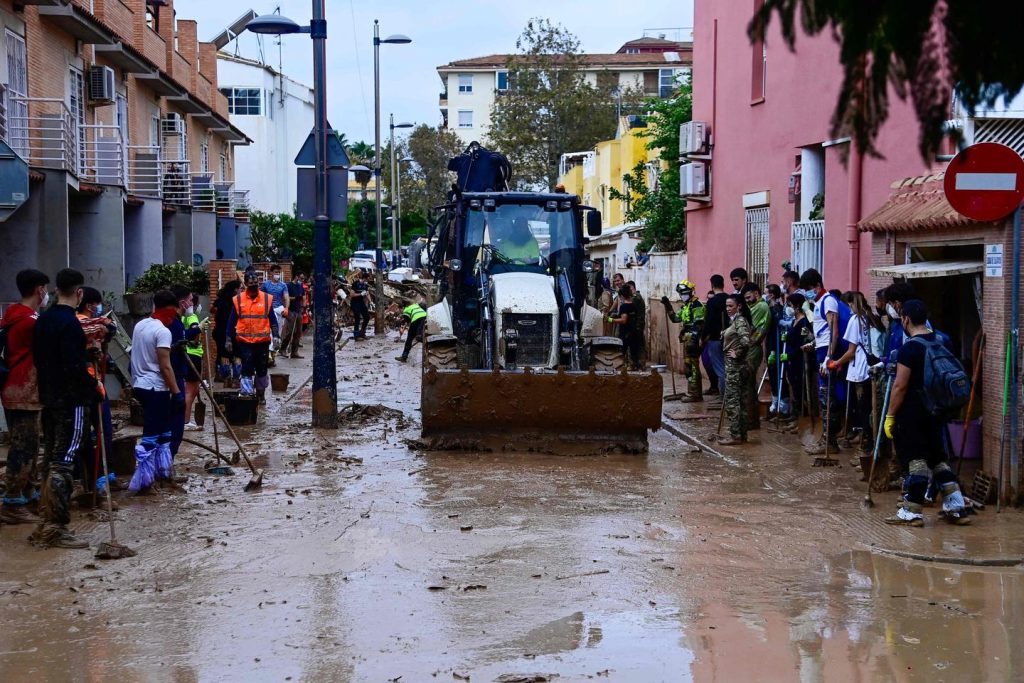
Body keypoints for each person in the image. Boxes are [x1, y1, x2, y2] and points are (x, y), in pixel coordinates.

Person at [883, 300, 971, 526]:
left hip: (913, 412)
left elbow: (900, 386)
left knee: (916, 462)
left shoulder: (910, 348)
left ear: (906, 320)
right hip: (938, 410)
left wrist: (890, 416)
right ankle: (956, 507)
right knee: (939, 459)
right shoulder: (942, 340)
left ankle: (912, 511)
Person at [29, 269, 98, 548]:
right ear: (79, 293)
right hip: (72, 399)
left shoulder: (43, 320)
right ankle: (54, 528)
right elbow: (72, 365)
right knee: (65, 459)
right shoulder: (70, 324)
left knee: (51, 458)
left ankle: (45, 521)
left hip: (49, 396)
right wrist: (92, 388)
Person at [0, 269, 49, 525]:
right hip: (24, 388)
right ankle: (12, 502)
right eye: (45, 289)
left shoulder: (12, 315)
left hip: (16, 387)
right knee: (24, 447)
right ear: (40, 289)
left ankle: (29, 495)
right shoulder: (29, 320)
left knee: (28, 445)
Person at [129, 289, 183, 494]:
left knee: (164, 434)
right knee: (151, 437)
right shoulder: (163, 331)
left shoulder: (140, 325)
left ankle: (163, 474)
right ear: (170, 310)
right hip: (155, 388)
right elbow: (165, 366)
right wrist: (177, 392)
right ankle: (144, 482)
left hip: (140, 385)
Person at [800, 268, 849, 455]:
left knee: (828, 397)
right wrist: (813, 344)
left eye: (808, 288)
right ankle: (827, 438)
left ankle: (830, 441)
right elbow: (823, 332)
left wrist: (829, 356)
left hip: (828, 355)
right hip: (821, 351)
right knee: (824, 397)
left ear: (818, 285)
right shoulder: (819, 302)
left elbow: (833, 331)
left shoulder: (828, 301)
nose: (807, 292)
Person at [832, 291, 885, 461]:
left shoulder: (856, 320)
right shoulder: (872, 317)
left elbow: (851, 351)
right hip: (873, 367)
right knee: (871, 408)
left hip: (861, 370)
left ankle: (866, 447)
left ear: (852, 304)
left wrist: (836, 362)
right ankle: (869, 445)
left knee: (863, 409)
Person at [75, 287, 116, 501]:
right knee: (101, 431)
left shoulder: (83, 322)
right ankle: (98, 480)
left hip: (91, 381)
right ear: (90, 304)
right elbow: (103, 331)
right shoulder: (84, 323)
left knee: (90, 434)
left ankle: (95, 479)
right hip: (92, 384)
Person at [227, 270, 279, 402]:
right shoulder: (238, 300)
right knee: (247, 367)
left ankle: (260, 393)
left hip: (262, 342)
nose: (254, 285)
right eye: (251, 283)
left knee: (262, 368)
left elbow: (272, 319)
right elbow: (231, 321)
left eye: (256, 282)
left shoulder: (266, 299)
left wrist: (276, 335)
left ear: (259, 283)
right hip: (245, 342)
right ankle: (247, 395)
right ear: (245, 283)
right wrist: (228, 338)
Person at [661, 279, 705, 402]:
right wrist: (667, 305)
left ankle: (695, 393)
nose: (683, 295)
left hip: (693, 340)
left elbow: (699, 324)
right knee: (688, 367)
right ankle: (691, 391)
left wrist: (694, 341)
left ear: (691, 292)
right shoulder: (686, 306)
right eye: (681, 293)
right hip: (686, 338)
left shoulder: (697, 305)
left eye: (685, 293)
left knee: (693, 366)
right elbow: (675, 318)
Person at [719, 294, 753, 446]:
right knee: (741, 401)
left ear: (739, 306)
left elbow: (746, 341)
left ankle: (735, 435)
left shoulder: (739, 321)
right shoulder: (736, 321)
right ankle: (742, 434)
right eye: (726, 306)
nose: (728, 309)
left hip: (735, 367)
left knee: (733, 402)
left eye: (731, 306)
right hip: (737, 366)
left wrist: (737, 353)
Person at [782, 292, 813, 425]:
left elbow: (803, 342)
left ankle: (802, 419)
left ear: (797, 306)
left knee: (801, 390)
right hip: (791, 361)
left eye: (790, 305)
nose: (788, 308)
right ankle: (795, 415)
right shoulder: (794, 321)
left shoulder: (804, 322)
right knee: (794, 388)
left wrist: (791, 354)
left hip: (800, 361)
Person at [742, 283, 770, 429]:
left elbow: (754, 329)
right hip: (748, 347)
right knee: (748, 385)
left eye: (748, 297)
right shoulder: (752, 307)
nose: (747, 300)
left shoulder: (761, 307)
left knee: (747, 384)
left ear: (756, 293)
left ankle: (750, 420)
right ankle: (750, 418)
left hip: (752, 348)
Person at [702, 275, 729, 407]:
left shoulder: (712, 302)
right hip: (729, 338)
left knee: (720, 369)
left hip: (715, 339)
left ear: (712, 285)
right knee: (728, 367)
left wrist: (704, 336)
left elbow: (709, 321)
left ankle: (723, 397)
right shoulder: (729, 299)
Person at [179, 289, 204, 431]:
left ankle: (181, 419)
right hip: (193, 356)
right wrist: (199, 330)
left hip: (184, 354)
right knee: (191, 391)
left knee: (185, 389)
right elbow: (195, 334)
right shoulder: (192, 317)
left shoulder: (181, 317)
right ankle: (185, 421)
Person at [212, 279, 242, 382]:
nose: (241, 291)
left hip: (220, 332)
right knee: (237, 354)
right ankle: (236, 379)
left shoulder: (220, 300)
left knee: (224, 354)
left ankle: (226, 379)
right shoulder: (238, 301)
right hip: (235, 331)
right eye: (240, 288)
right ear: (235, 289)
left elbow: (213, 310)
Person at [260, 265, 290, 365]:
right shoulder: (265, 285)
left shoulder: (283, 285)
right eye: (276, 272)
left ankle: (273, 355)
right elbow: (260, 296)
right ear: (271, 273)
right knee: (269, 332)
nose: (277, 274)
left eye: (278, 272)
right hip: (268, 311)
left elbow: (286, 297)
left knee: (277, 333)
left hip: (279, 310)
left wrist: (286, 308)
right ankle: (268, 354)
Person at [608, 285, 640, 369]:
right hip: (634, 331)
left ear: (622, 296)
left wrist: (611, 320)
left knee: (622, 351)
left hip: (625, 332)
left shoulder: (624, 307)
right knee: (633, 351)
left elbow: (623, 320)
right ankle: (634, 366)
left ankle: (624, 367)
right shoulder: (633, 305)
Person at [282, 271, 306, 358]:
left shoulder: (300, 286)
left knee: (298, 332)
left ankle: (294, 352)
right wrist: (295, 298)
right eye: (301, 278)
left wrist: (304, 305)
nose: (302, 280)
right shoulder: (288, 286)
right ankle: (283, 349)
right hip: (291, 310)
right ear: (296, 277)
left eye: (303, 278)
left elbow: (303, 296)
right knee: (290, 331)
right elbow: (285, 298)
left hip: (298, 310)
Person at [627, 281, 646, 365]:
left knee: (638, 344)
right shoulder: (636, 296)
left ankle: (640, 363)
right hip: (637, 324)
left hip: (637, 325)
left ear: (632, 288)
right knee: (637, 344)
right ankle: (638, 363)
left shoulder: (636, 297)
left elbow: (630, 307)